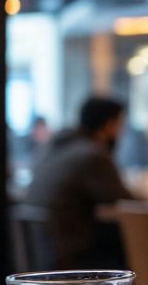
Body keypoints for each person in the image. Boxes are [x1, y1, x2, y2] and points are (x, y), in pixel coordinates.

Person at [25, 96, 134, 270]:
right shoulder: (92, 155)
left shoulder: (53, 148)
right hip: (73, 259)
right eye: (119, 125)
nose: (120, 133)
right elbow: (126, 201)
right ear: (108, 125)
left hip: (43, 254)